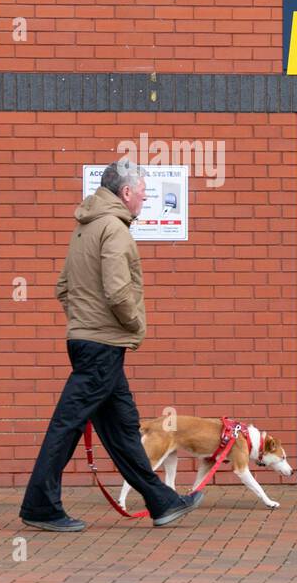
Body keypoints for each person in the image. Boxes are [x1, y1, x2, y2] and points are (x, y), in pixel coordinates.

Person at [19, 158, 204, 531]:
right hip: (103, 346)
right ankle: (40, 505)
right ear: (125, 193)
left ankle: (162, 502)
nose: (145, 199)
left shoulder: (85, 228)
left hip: (91, 342)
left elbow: (63, 288)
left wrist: (84, 322)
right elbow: (119, 291)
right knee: (66, 425)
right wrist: (135, 325)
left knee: (122, 430)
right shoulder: (115, 230)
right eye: (142, 193)